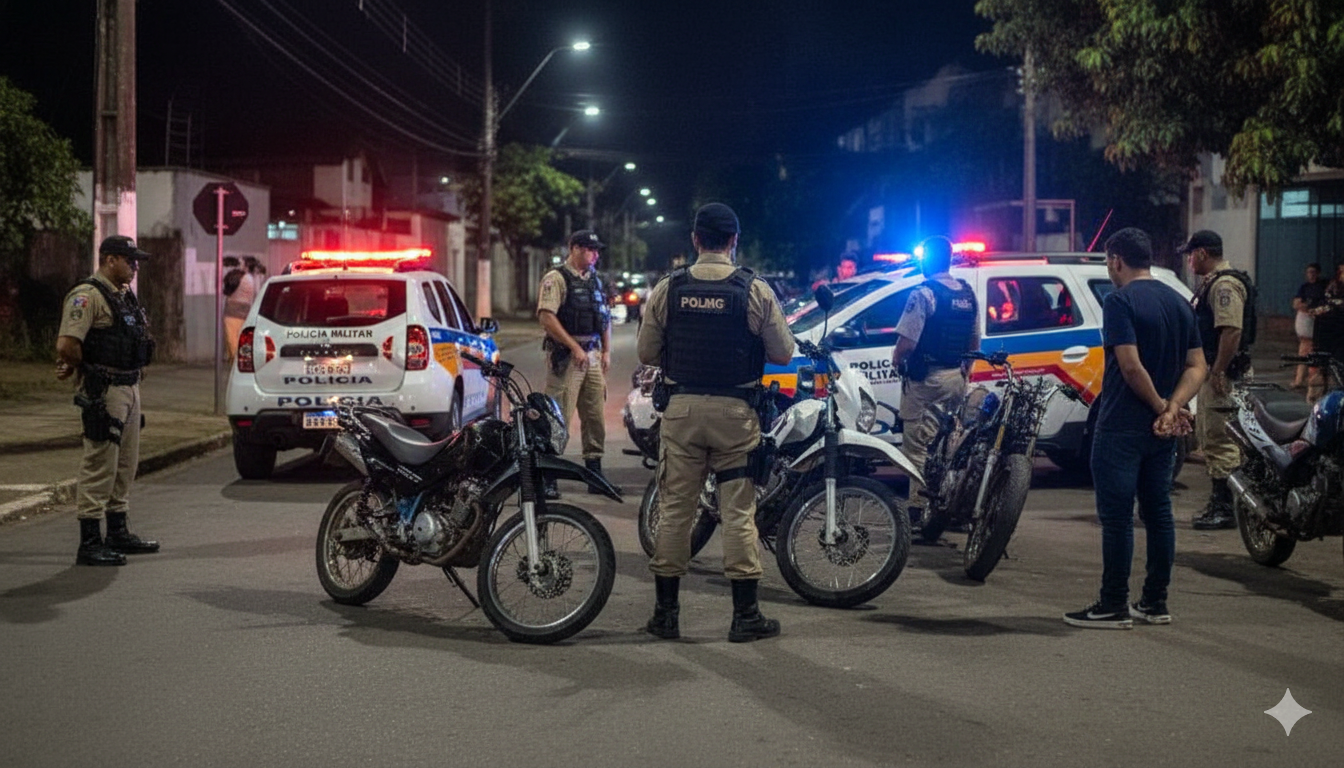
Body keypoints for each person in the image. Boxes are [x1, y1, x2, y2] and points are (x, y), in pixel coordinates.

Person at [637, 202, 795, 642]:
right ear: (734, 241)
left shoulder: (669, 288)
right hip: (735, 416)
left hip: (682, 412)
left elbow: (647, 353)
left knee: (675, 511)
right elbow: (783, 353)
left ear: (695, 240)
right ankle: (745, 616)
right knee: (739, 513)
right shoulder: (754, 290)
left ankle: (666, 615)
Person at [1063, 228, 1205, 629]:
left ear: (1116, 260)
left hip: (1121, 426)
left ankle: (1113, 604)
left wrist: (1161, 406)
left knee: (1118, 519)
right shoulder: (1179, 302)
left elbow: (1129, 365)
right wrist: (1173, 408)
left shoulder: (1119, 301)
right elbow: (1198, 366)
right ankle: (1155, 602)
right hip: (1162, 433)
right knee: (1158, 513)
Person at [55, 235, 161, 566]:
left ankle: (117, 531)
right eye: (130, 260)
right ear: (110, 259)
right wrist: (81, 367)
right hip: (105, 389)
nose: (135, 266)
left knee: (126, 463)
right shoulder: (88, 296)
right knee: (100, 463)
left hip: (129, 386)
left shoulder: (124, 296)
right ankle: (90, 541)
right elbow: (67, 344)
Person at [890, 235, 979, 523]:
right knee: (946, 445)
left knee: (917, 446)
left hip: (927, 381)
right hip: (956, 378)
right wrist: (965, 371)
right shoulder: (967, 294)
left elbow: (907, 343)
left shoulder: (923, 294)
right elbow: (974, 341)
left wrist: (896, 360)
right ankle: (945, 505)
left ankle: (917, 509)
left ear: (926, 260)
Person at [1184, 229, 1257, 531]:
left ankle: (1225, 508)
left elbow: (1231, 330)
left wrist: (1218, 371)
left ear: (1202, 253)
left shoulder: (1224, 285)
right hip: (1218, 371)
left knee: (1222, 439)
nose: (1189, 261)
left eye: (1190, 254)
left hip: (1224, 376)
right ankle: (1226, 505)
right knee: (1214, 436)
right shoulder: (1214, 283)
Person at [536, 230, 612, 498]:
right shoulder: (556, 278)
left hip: (592, 355)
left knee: (595, 417)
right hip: (567, 357)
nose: (596, 255)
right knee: (558, 417)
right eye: (591, 249)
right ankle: (548, 476)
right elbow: (547, 317)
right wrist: (573, 347)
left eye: (597, 250)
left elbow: (604, 317)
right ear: (575, 249)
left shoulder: (595, 280)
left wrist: (606, 351)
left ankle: (595, 473)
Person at [1292, 263, 1326, 395]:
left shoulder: (1323, 287)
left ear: (1318, 273)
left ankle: (1311, 380)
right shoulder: (1304, 287)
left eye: (1313, 272)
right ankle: (1299, 379)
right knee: (1304, 350)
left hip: (1318, 322)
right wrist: (1305, 308)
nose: (1311, 275)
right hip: (1307, 320)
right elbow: (1296, 303)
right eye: (1309, 272)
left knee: (1312, 350)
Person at [222, 255, 255, 362]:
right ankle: (244, 359)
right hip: (245, 313)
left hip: (232, 313)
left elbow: (227, 290)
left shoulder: (240, 277)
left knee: (232, 340)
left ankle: (236, 361)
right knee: (243, 339)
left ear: (246, 266)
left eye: (240, 263)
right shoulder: (252, 279)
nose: (238, 266)